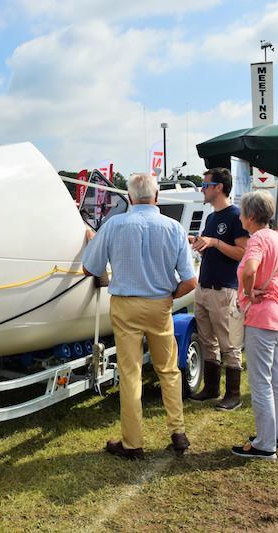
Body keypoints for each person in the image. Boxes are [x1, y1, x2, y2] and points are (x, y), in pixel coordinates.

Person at [83, 172, 197, 459]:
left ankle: (132, 443)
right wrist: (169, 297)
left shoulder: (114, 225)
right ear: (156, 196)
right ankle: (178, 431)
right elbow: (189, 281)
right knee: (168, 369)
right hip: (160, 304)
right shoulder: (174, 228)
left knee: (130, 373)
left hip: (125, 305)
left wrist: (92, 241)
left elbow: (90, 268)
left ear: (129, 197)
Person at [231, 191, 278, 460]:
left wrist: (249, 290)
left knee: (260, 382)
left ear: (251, 216)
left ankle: (265, 443)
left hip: (262, 316)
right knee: (276, 378)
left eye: (242, 212)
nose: (240, 217)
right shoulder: (277, 237)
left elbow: (249, 269)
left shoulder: (257, 239)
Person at [188, 168, 248, 411]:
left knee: (229, 343)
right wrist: (200, 243)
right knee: (207, 339)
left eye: (205, 185)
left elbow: (243, 253)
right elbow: (215, 248)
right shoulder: (212, 217)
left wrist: (214, 242)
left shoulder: (235, 216)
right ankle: (212, 388)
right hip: (204, 287)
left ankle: (233, 394)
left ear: (219, 187)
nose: (202, 189)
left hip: (224, 289)